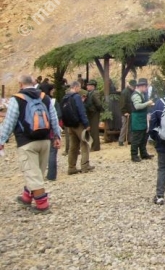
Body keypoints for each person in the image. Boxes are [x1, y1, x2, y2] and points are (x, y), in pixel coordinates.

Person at [0, 74, 62, 214]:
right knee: (37, 171)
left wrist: (1, 140)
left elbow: (9, 123)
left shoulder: (17, 99)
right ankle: (26, 197)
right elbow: (53, 117)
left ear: (20, 84)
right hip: (45, 140)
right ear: (33, 83)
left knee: (31, 173)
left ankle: (42, 205)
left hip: (26, 142)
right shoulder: (44, 97)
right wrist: (56, 136)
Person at [62, 83, 95, 175]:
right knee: (85, 143)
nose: (80, 90)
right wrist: (86, 124)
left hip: (70, 125)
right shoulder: (76, 97)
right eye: (79, 88)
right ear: (75, 87)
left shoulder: (65, 97)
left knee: (73, 146)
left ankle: (71, 167)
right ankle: (85, 166)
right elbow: (81, 111)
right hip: (79, 124)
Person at [130, 78, 155, 162]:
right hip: (137, 119)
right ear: (141, 86)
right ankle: (134, 155)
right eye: (145, 87)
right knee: (136, 138)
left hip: (142, 119)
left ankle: (143, 154)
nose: (147, 88)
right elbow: (137, 106)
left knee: (144, 137)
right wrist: (148, 103)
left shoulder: (142, 94)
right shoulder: (136, 95)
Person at [85, 79, 103, 151]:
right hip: (90, 113)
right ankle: (93, 145)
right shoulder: (90, 93)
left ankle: (95, 147)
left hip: (94, 113)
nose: (87, 87)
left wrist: (97, 110)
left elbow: (98, 104)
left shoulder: (95, 93)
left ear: (93, 86)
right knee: (92, 130)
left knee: (94, 130)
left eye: (88, 85)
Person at [119, 80, 136, 146]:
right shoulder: (125, 92)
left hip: (131, 111)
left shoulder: (132, 92)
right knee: (124, 127)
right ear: (130, 85)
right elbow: (122, 103)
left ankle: (129, 140)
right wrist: (124, 112)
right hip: (125, 112)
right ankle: (121, 140)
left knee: (130, 127)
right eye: (133, 86)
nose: (134, 87)